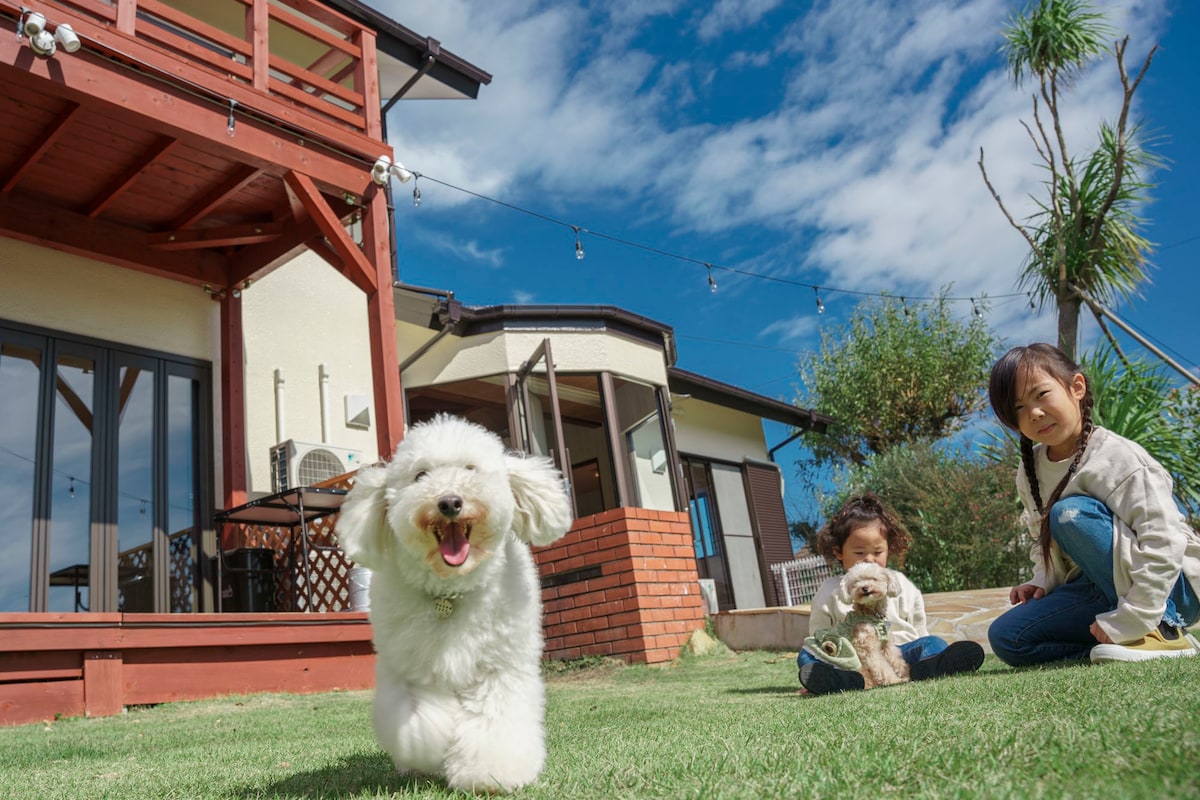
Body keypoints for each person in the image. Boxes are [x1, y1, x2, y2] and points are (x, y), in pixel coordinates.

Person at [986, 343, 1200, 666]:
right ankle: (1119, 645)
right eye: (1018, 408)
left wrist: (1138, 614)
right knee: (1007, 637)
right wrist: (1040, 580)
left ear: (1076, 387)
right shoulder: (1029, 470)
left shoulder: (1118, 456)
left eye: (1041, 394)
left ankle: (1163, 631)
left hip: (1171, 589)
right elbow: (1040, 539)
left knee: (1069, 514)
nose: (1033, 413)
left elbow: (1164, 540)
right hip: (1097, 587)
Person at [798, 493, 985, 694]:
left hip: (902, 649)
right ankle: (844, 679)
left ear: (888, 549)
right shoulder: (830, 590)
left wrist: (923, 646)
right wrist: (829, 654)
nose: (869, 560)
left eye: (877, 552)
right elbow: (820, 636)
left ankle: (928, 665)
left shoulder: (901, 584)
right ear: (838, 552)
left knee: (932, 643)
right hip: (848, 656)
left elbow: (919, 628)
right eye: (859, 553)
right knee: (806, 655)